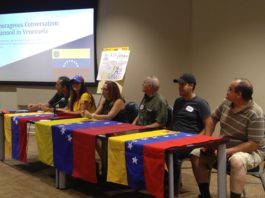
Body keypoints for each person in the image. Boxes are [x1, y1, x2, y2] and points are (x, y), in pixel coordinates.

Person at [191, 78, 265, 198]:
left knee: (237, 161)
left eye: (230, 89)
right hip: (224, 146)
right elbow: (212, 119)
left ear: (239, 94)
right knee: (196, 154)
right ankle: (205, 195)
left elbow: (253, 144)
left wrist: (226, 151)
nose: (227, 91)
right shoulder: (226, 102)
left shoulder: (256, 113)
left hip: (252, 151)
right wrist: (207, 140)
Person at [169, 73, 211, 195]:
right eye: (179, 85)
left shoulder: (200, 103)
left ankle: (173, 190)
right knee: (154, 150)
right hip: (174, 138)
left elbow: (208, 125)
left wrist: (199, 139)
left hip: (190, 142)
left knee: (172, 154)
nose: (179, 87)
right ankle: (169, 184)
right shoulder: (178, 102)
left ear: (191, 86)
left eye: (183, 85)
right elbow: (174, 121)